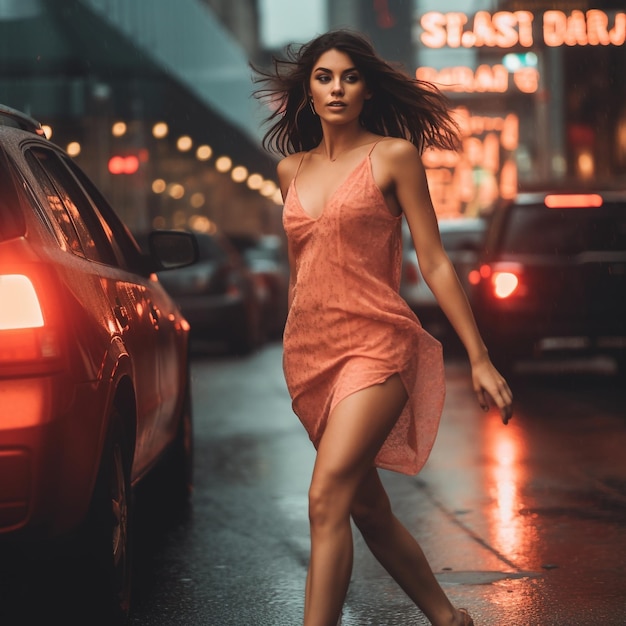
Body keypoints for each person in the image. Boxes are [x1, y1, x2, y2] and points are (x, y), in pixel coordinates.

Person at [253, 30, 513, 626]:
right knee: (365, 509)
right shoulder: (289, 170)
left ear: (367, 88)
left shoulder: (392, 156)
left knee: (325, 500)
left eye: (349, 76)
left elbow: (436, 259)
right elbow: (304, 272)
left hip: (376, 346)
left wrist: (478, 355)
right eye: (324, 77)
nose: (337, 87)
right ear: (308, 93)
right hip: (310, 356)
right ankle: (448, 618)